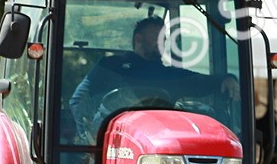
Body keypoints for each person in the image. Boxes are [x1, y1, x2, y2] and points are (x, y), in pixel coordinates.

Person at [70, 16, 239, 142]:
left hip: (159, 143)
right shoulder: (110, 66)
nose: (162, 43)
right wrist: (88, 139)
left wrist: (226, 79)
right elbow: (78, 100)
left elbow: (199, 82)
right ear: (138, 39)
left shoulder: (169, 75)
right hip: (111, 142)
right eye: (156, 38)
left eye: (163, 39)